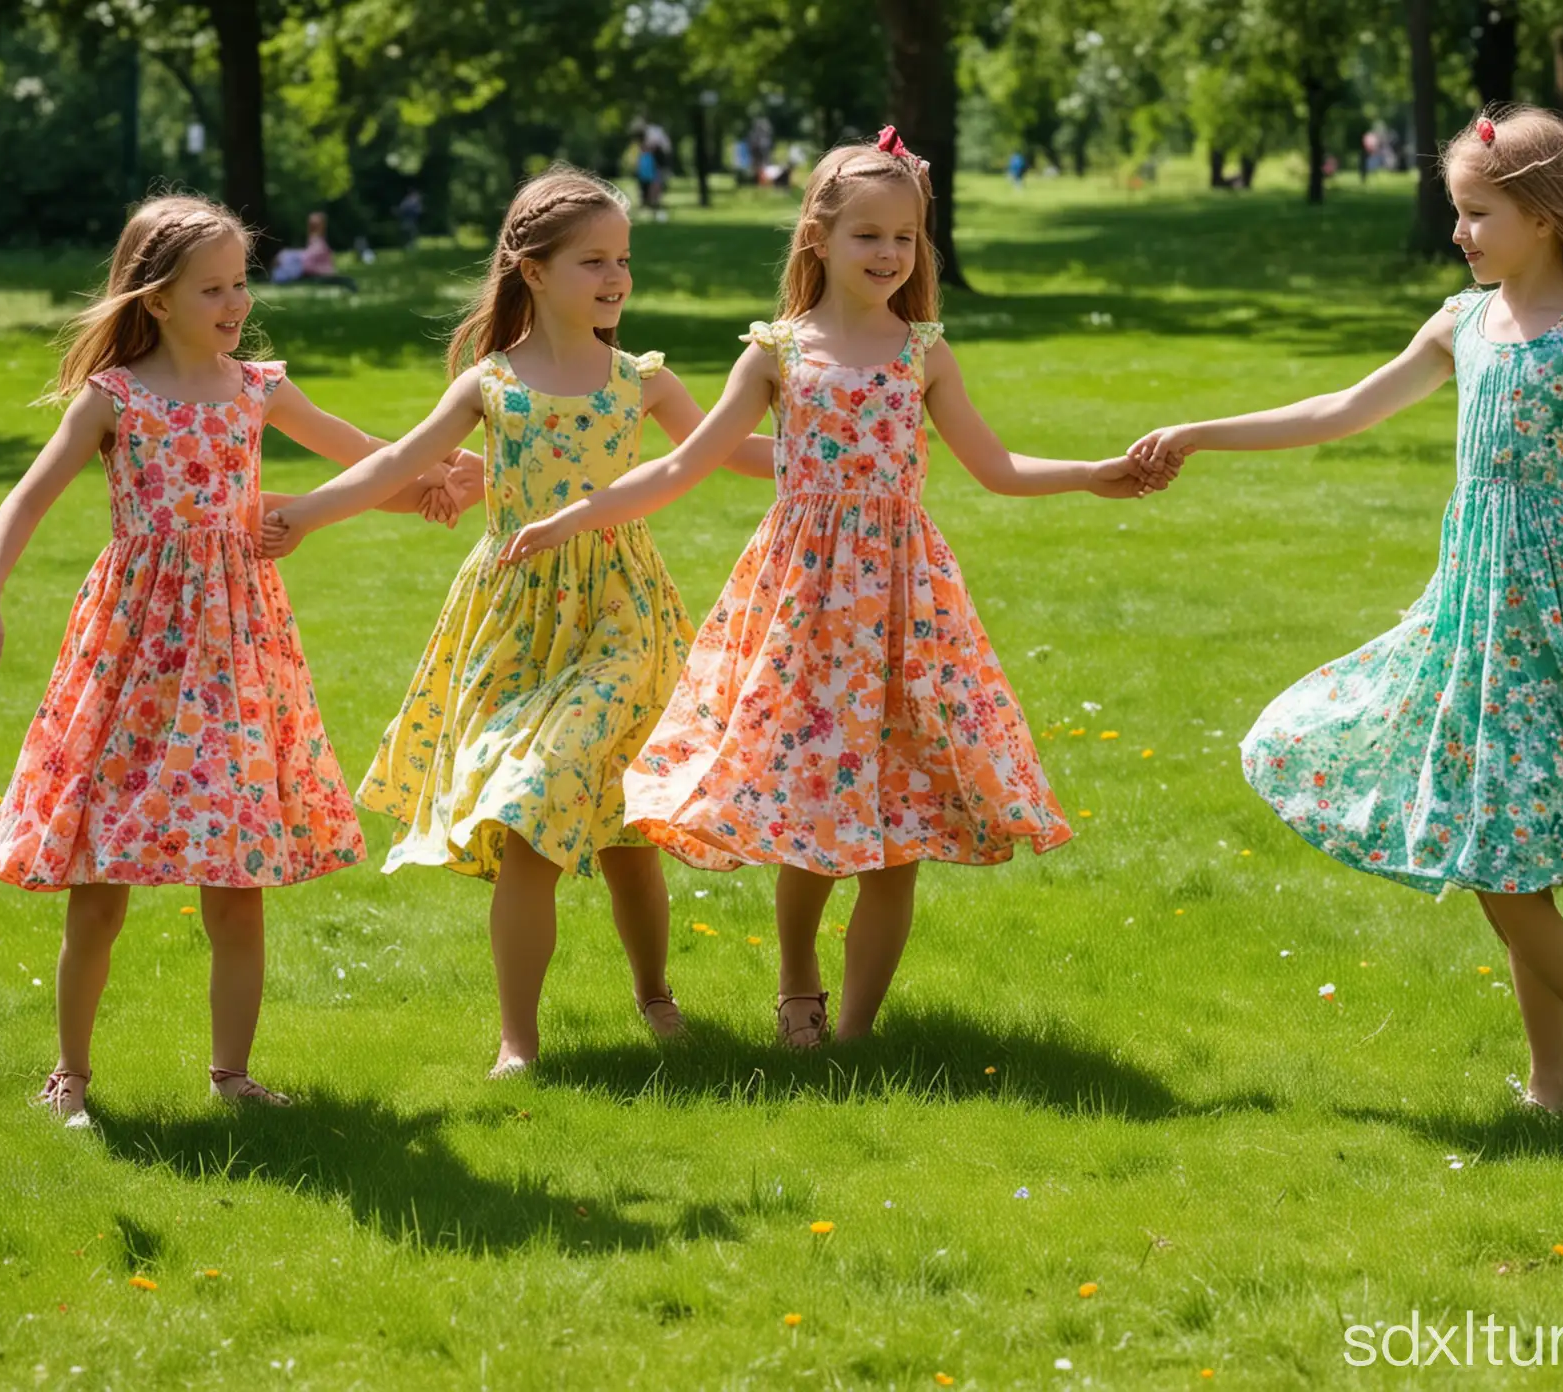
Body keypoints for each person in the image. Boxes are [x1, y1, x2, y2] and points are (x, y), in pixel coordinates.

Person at [1130, 106, 1563, 1115]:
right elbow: (1342, 409)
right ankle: (1553, 1084)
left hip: (1557, 616)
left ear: (1546, 216)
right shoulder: (1459, 323)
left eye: (1478, 214)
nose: (1459, 234)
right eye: (1458, 212)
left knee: (1497, 848)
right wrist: (1201, 431)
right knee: (1505, 843)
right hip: (1470, 609)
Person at [493, 128, 1166, 1047]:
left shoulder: (923, 351)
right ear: (817, 236)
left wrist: (1092, 472)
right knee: (810, 803)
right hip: (803, 607)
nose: (890, 254)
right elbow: (689, 462)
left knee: (901, 816)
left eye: (905, 238)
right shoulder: (775, 352)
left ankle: (853, 1037)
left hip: (905, 607)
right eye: (868, 236)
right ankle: (799, 986)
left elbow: (995, 465)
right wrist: (578, 513)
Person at [0, 196, 471, 1123]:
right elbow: (24, 501)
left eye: (241, 283)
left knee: (236, 875)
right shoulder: (115, 397)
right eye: (213, 288)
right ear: (156, 297)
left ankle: (233, 1079)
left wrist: (439, 483)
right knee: (100, 877)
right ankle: (70, 1073)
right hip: (134, 654)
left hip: (235, 653)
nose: (235, 302)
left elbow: (372, 467)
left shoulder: (257, 387)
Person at [258, 167, 774, 1077]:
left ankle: (654, 995)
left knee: (599, 818)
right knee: (549, 815)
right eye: (592, 261)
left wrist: (851, 434)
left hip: (623, 614)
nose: (616, 278)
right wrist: (306, 513)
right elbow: (395, 466)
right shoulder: (489, 383)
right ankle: (519, 1043)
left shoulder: (640, 379)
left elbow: (729, 450)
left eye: (623, 260)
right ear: (531, 270)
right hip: (512, 619)